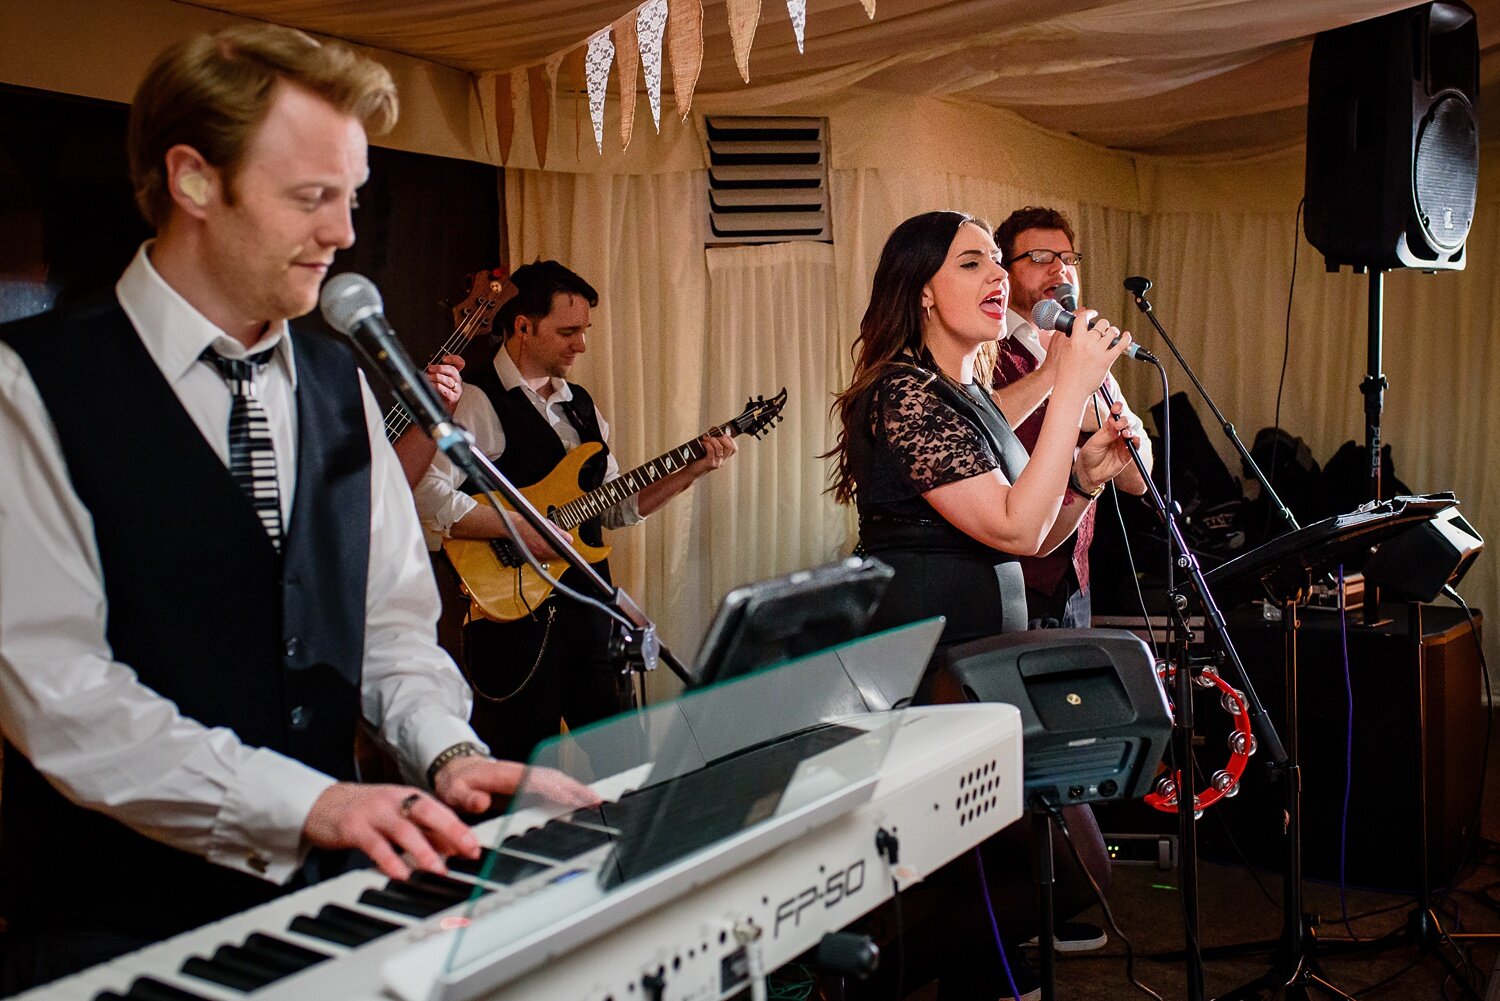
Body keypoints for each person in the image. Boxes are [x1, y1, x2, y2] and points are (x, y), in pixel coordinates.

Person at [0, 25, 589, 993]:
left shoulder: (338, 380)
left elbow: (390, 624)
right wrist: (308, 803)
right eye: (312, 197)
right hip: (114, 936)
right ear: (194, 180)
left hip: (322, 908)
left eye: (351, 198)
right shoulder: (31, 386)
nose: (345, 233)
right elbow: (60, 692)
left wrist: (443, 748)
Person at [825, 210, 1139, 1000]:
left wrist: (1084, 477)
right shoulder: (903, 392)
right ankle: (858, 980)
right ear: (924, 291)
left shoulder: (962, 395)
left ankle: (906, 976)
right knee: (1060, 868)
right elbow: (1011, 522)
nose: (998, 277)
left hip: (983, 663)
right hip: (931, 662)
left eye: (999, 261)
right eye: (974, 263)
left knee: (1021, 871)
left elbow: (1030, 535)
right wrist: (1070, 388)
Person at [414, 261, 735, 763]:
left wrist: (689, 472)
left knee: (626, 761)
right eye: (568, 331)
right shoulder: (473, 398)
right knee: (518, 775)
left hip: (588, 613)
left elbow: (615, 509)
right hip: (512, 621)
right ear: (523, 326)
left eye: (584, 331)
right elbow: (426, 495)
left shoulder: (582, 406)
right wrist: (523, 529)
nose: (581, 345)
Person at [991, 206, 1153, 628]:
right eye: (1040, 257)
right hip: (1007, 584)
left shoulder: (1084, 344)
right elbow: (972, 429)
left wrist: (1100, 416)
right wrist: (1054, 380)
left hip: (1074, 583)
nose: (1059, 269)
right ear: (1004, 272)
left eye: (1068, 258)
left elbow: (1140, 478)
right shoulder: (987, 346)